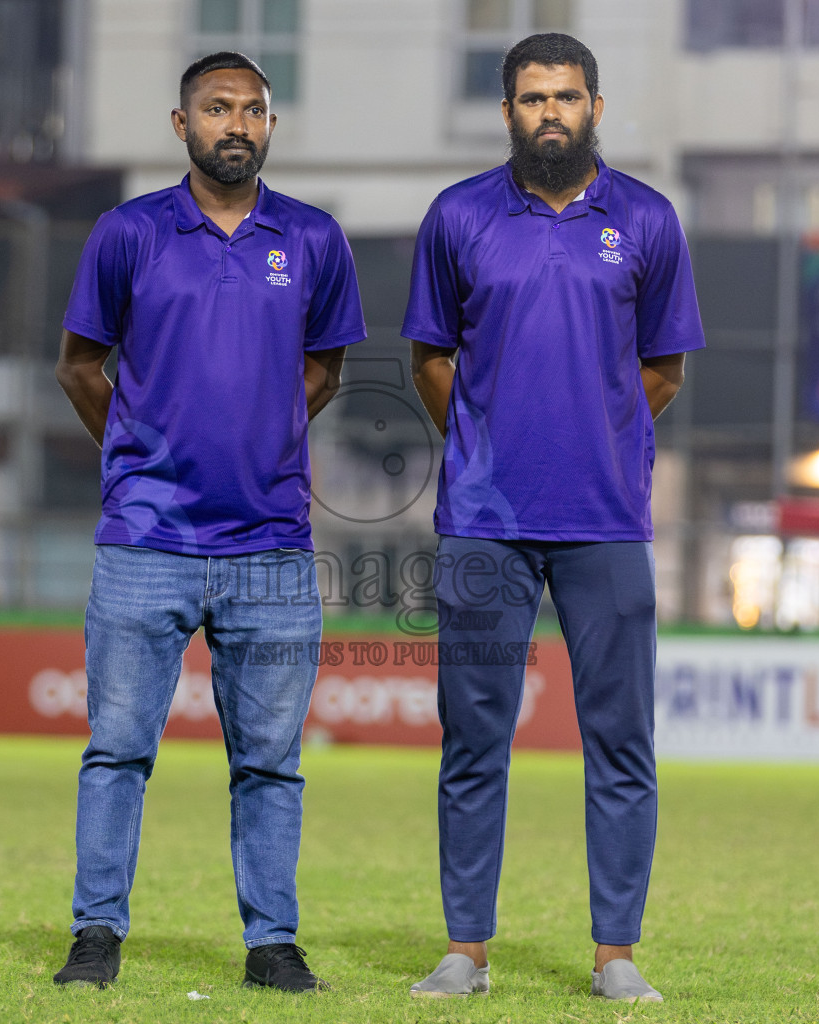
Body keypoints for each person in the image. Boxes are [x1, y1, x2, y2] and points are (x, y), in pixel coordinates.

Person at [50, 51, 366, 992]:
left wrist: (258, 439)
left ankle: (272, 944)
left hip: (270, 546)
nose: (238, 123)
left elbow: (325, 371)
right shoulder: (127, 233)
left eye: (254, 110)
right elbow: (78, 365)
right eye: (218, 108)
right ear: (181, 124)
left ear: (272, 126)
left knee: (270, 764)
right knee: (117, 751)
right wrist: (140, 452)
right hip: (146, 540)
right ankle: (96, 935)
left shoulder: (313, 239)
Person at [402, 33, 705, 1004]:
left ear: (596, 108)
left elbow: (663, 370)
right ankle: (466, 951)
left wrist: (596, 438)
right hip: (483, 521)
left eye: (566, 97)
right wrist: (486, 447)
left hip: (607, 523)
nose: (550, 113)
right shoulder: (456, 218)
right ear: (507, 113)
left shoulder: (649, 222)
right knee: (472, 735)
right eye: (531, 98)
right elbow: (430, 360)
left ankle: (616, 955)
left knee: (621, 738)